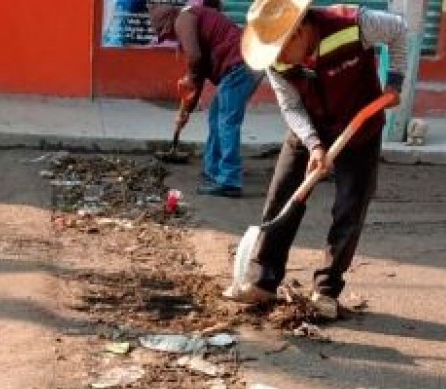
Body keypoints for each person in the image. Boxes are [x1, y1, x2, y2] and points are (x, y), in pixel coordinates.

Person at [226, 0, 406, 319]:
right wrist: (314, 145)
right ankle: (261, 281)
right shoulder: (277, 61)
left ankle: (326, 290)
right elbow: (291, 107)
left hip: (359, 128)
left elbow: (399, 30)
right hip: (308, 126)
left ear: (298, 33)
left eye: (280, 51)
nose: (278, 60)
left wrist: (395, 81)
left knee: (349, 208)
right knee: (283, 197)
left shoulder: (354, 23)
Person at [149, 3, 261, 198]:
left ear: (168, 23)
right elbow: (198, 73)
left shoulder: (183, 20)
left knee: (226, 123)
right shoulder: (189, 20)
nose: (169, 39)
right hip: (238, 67)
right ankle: (213, 171)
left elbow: (195, 59)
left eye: (165, 35)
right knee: (216, 119)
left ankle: (229, 180)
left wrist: (190, 79)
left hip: (239, 66)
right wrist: (187, 110)